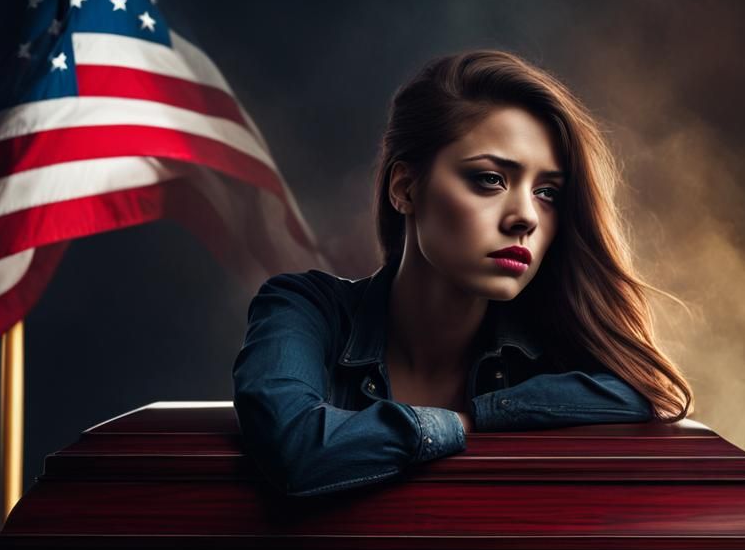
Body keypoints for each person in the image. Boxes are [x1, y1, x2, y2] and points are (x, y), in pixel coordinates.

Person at [232, 49, 693, 497]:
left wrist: (482, 414)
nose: (526, 217)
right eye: (491, 179)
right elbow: (296, 446)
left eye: (547, 192)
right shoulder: (303, 308)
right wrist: (453, 424)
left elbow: (639, 391)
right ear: (405, 188)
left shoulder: (549, 345)